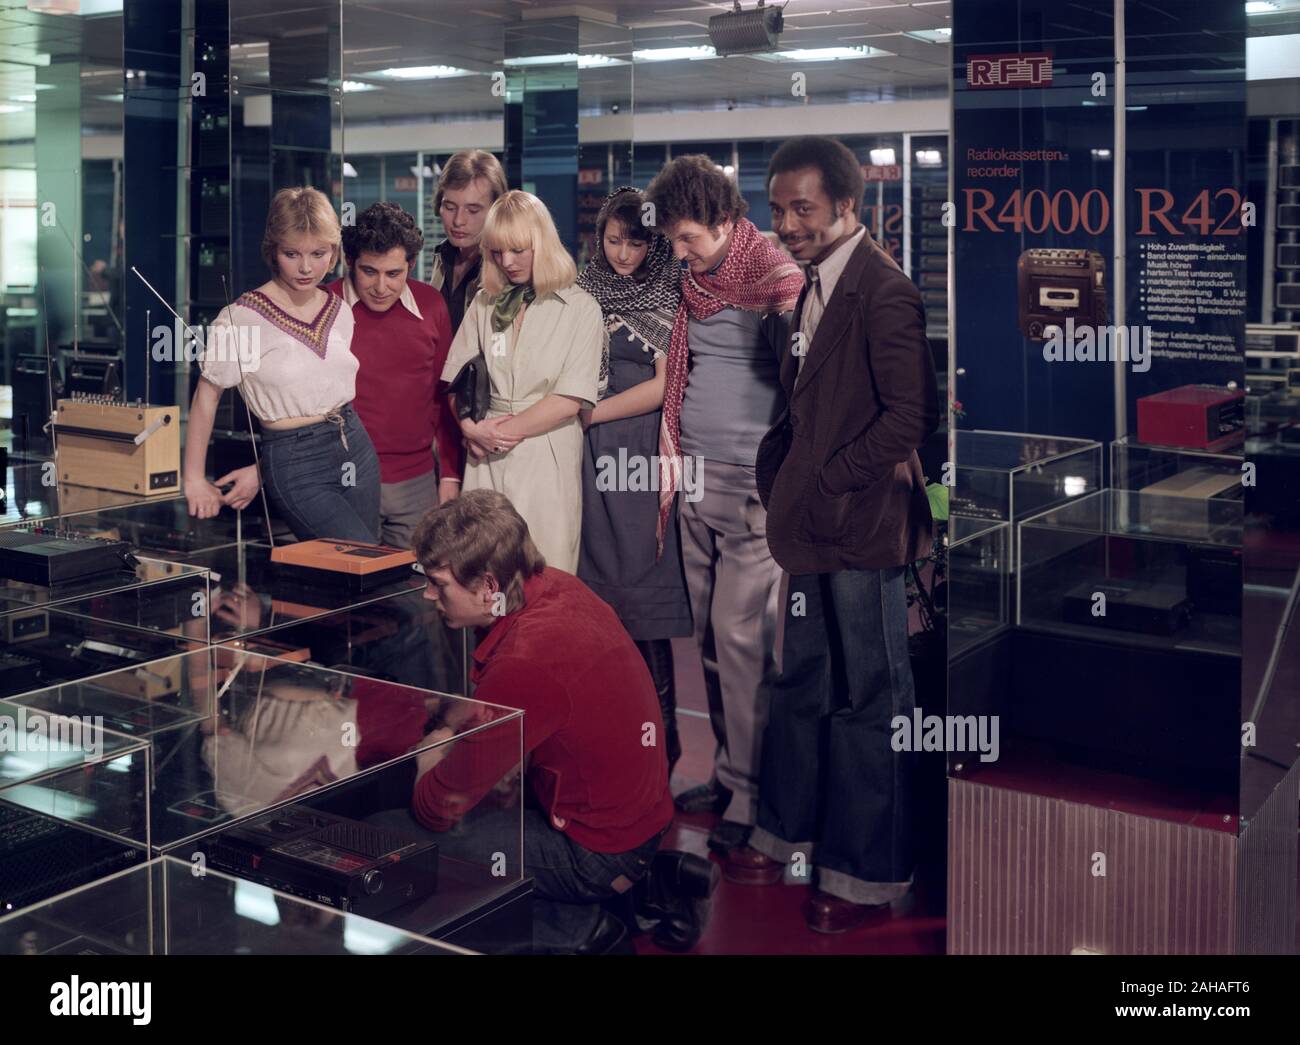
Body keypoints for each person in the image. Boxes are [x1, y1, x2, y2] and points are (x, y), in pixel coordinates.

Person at [728, 136, 940, 934]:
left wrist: (830, 476)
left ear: (848, 205)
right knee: (803, 681)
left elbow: (909, 417)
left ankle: (871, 879)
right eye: (778, 209)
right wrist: (795, 479)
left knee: (873, 698)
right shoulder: (811, 284)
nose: (786, 224)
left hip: (865, 528)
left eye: (803, 209)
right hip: (810, 525)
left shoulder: (884, 290)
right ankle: (788, 836)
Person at [375, 489, 715, 954]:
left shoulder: (528, 660)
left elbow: (439, 808)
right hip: (634, 821)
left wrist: (432, 750)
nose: (427, 594)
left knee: (391, 838)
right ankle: (653, 886)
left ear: (488, 588)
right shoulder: (554, 585)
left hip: (595, 852)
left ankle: (578, 927)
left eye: (438, 583)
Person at [643, 155, 803, 852]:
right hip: (696, 478)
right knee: (707, 638)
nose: (679, 254)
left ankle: (752, 793)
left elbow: (806, 380)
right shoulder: (691, 281)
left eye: (688, 239)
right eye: (674, 241)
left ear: (726, 220)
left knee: (743, 643)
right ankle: (731, 772)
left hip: (753, 487)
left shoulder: (776, 276)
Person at [185, 186, 381, 544]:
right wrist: (194, 479)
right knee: (357, 554)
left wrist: (259, 472)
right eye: (293, 253)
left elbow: (321, 389)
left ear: (334, 251)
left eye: (319, 253)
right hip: (295, 461)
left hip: (355, 445)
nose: (307, 267)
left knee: (367, 570)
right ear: (273, 251)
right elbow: (206, 398)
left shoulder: (339, 309)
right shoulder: (240, 319)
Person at [576, 187, 692, 778]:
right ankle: (611, 751)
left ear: (655, 243)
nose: (623, 254)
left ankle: (663, 755)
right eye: (614, 240)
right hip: (586, 459)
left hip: (638, 458)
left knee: (641, 609)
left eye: (636, 241)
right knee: (595, 609)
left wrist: (591, 413)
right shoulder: (582, 288)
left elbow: (663, 385)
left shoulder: (670, 290)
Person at [440, 190, 603, 574]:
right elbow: (455, 382)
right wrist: (468, 427)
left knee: (545, 571)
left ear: (542, 243)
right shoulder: (483, 303)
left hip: (547, 453)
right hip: (483, 454)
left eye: (518, 250)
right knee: (482, 573)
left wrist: (494, 433)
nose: (507, 262)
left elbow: (569, 399)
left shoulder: (582, 309)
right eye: (497, 252)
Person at [328, 201, 462, 548]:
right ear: (350, 263)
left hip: (416, 482)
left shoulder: (432, 305)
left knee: (413, 594)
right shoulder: (323, 306)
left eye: (394, 274)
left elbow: (443, 396)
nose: (381, 287)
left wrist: (449, 473)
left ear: (411, 266)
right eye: (369, 272)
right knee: (349, 591)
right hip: (342, 477)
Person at [428, 149, 508, 333]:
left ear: (496, 211)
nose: (458, 220)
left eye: (472, 210)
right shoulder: (442, 256)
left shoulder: (508, 268)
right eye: (449, 207)